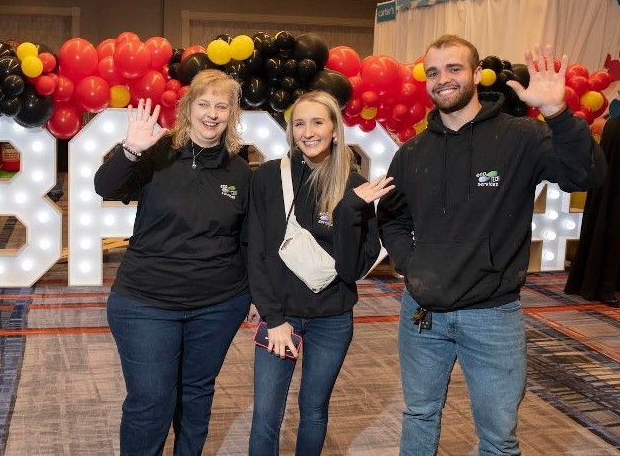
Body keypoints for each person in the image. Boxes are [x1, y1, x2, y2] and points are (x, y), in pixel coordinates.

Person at [377, 35, 606, 456]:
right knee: (419, 415)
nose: (442, 79)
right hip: (423, 314)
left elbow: (587, 176)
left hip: (493, 316)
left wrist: (556, 113)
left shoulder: (521, 138)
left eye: (453, 68)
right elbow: (392, 216)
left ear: (476, 73)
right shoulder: (411, 153)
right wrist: (410, 262)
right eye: (433, 72)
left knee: (499, 438)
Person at [94, 70, 252, 456]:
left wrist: (259, 299)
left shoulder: (240, 172)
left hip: (218, 305)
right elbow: (106, 187)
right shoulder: (156, 153)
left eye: (222, 106)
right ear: (187, 108)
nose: (212, 114)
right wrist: (131, 149)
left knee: (196, 397)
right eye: (204, 104)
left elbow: (248, 241)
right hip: (145, 303)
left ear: (232, 114)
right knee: (150, 402)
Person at [247, 90, 392, 455]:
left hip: (333, 318)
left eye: (317, 122)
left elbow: (351, 268)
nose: (308, 132)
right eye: (299, 123)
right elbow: (257, 251)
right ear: (290, 130)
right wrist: (274, 316)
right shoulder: (267, 177)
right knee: (266, 414)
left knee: (313, 410)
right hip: (281, 316)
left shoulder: (355, 185)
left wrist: (349, 211)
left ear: (334, 129)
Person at [565, 112, 620, 307]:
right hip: (614, 193)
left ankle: (600, 284)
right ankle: (604, 286)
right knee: (612, 227)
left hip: (610, 191)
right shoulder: (615, 126)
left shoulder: (613, 124)